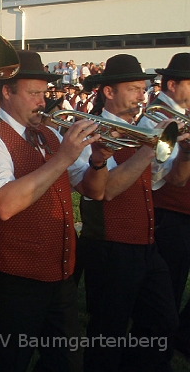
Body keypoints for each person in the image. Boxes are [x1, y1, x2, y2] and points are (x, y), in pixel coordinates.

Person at [0, 51, 108, 371]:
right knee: (8, 361)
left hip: (60, 274)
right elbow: (3, 205)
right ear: (7, 92)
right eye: (33, 93)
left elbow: (94, 191)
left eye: (43, 93)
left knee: (67, 362)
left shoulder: (50, 134)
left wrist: (97, 160)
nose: (41, 101)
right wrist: (63, 158)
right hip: (15, 279)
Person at [78, 53, 190, 371]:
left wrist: (184, 154)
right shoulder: (93, 131)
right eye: (133, 88)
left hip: (145, 242)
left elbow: (167, 182)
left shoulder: (136, 129)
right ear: (109, 91)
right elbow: (107, 190)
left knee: (164, 320)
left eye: (143, 88)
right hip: (110, 243)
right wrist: (150, 146)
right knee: (107, 331)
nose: (142, 95)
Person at [137, 53, 190, 357]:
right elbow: (165, 176)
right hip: (168, 214)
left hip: (178, 214)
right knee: (165, 293)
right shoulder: (159, 118)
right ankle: (154, 354)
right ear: (172, 84)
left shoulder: (181, 114)